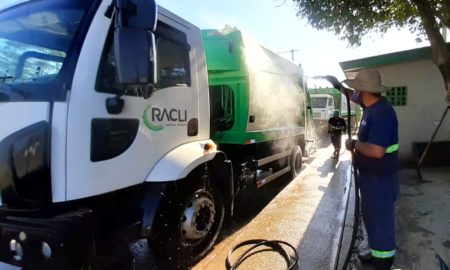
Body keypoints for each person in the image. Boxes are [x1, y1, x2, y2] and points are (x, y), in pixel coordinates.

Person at [342, 68, 399, 270]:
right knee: (371, 219)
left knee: (380, 222)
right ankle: (375, 253)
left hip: (380, 180)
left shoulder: (382, 114)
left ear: (365, 91)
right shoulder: (371, 106)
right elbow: (353, 97)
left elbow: (376, 151)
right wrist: (341, 88)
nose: (355, 93)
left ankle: (383, 263)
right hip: (371, 178)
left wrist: (354, 144)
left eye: (358, 90)